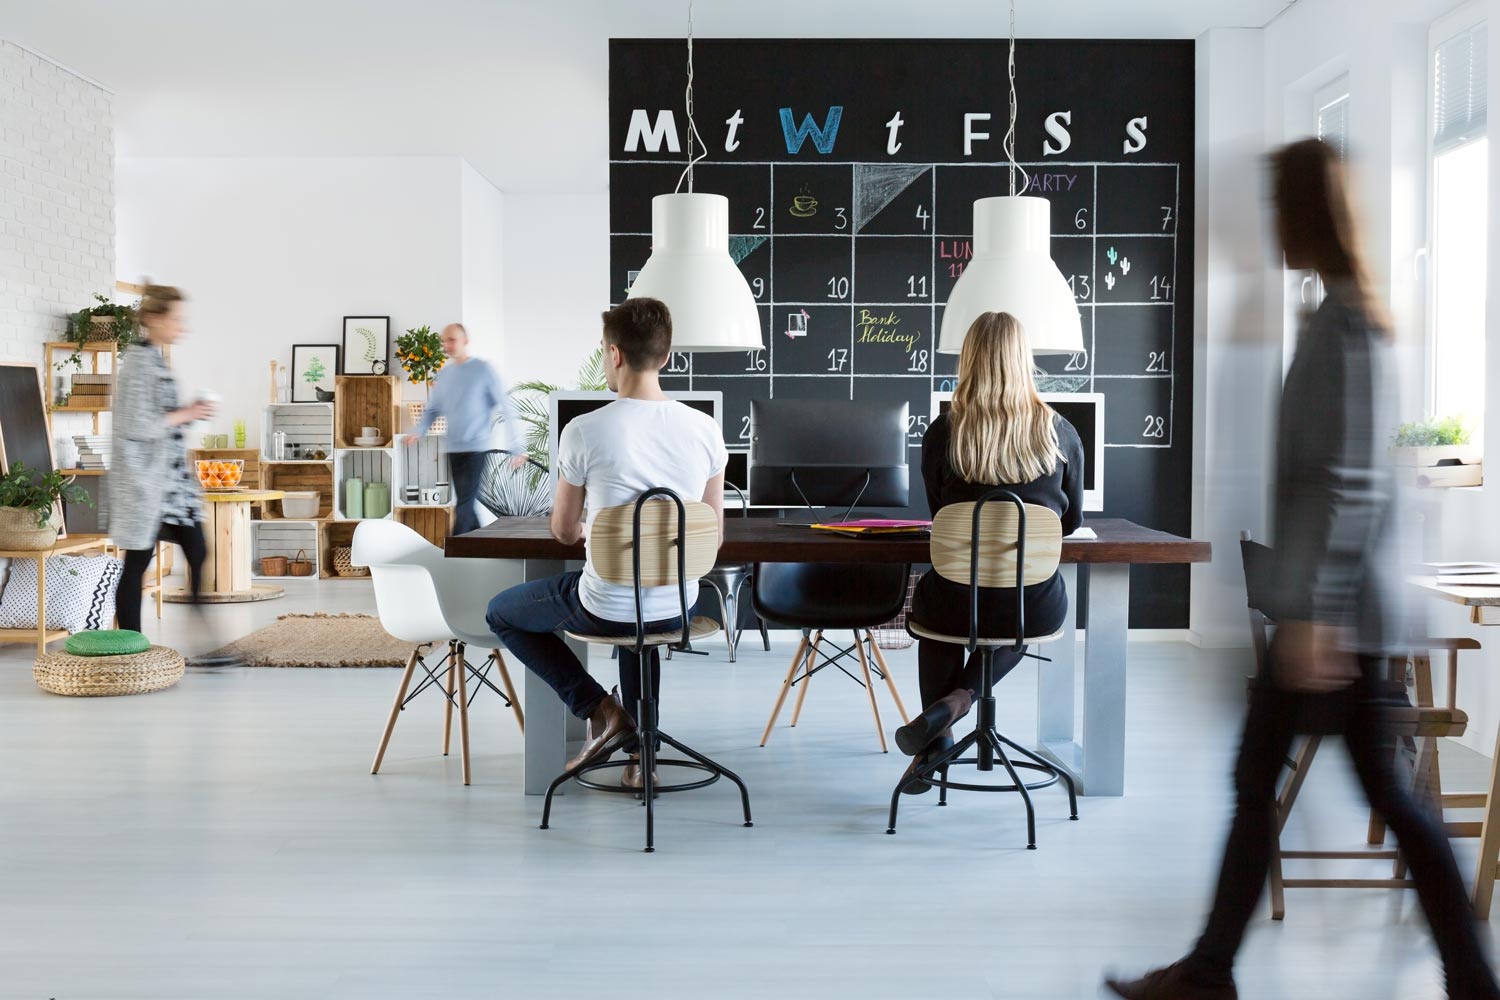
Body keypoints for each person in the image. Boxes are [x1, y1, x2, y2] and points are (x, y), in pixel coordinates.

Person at [1105, 140, 1500, 1000]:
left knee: (1333, 794)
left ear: (1307, 215)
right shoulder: (1337, 314)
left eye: (1280, 209)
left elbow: (1348, 480)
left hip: (1338, 620)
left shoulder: (1349, 324)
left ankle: (1216, 974)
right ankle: (1217, 970)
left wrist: (1316, 614)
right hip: (1336, 614)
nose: (1272, 227)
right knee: (1320, 790)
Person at [485, 298, 726, 789]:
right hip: (677, 605)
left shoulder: (584, 430)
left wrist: (594, 529)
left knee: (501, 613)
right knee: (642, 626)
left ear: (614, 354)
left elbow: (562, 531)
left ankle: (599, 709)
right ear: (666, 356)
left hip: (605, 607)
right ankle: (642, 760)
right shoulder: (705, 429)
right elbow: (712, 534)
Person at [894, 310, 1083, 791]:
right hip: (1031, 604)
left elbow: (942, 515)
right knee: (1018, 616)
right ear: (1024, 360)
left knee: (936, 615)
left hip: (956, 599)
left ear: (969, 360)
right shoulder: (1060, 432)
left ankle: (938, 738)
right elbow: (1069, 523)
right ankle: (957, 703)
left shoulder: (944, 432)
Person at [112, 285, 214, 633]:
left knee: (197, 550)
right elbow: (136, 424)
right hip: (149, 484)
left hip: (170, 483)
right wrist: (187, 413)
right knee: (137, 564)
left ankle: (201, 632)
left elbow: (160, 418)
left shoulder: (153, 358)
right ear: (155, 319)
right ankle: (132, 643)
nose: (182, 326)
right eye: (177, 319)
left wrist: (189, 412)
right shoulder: (138, 363)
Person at [402, 323, 525, 535]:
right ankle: (482, 548)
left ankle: (453, 550)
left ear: (465, 341)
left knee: (463, 508)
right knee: (467, 507)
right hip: (452, 449)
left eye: (452, 340)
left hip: (476, 449)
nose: (447, 345)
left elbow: (506, 406)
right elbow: (434, 409)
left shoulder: (483, 370)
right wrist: (419, 430)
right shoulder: (444, 374)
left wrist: (517, 447)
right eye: (444, 341)